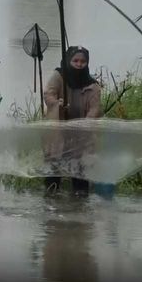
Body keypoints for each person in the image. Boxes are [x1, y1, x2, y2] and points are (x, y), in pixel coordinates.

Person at [43, 46, 102, 194]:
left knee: (80, 176)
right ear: (69, 61)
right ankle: (51, 202)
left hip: (81, 136)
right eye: (75, 60)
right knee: (53, 174)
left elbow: (95, 109)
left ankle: (79, 205)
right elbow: (49, 94)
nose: (79, 64)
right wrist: (57, 104)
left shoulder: (93, 86)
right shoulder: (59, 76)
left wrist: (83, 124)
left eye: (83, 61)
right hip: (58, 132)